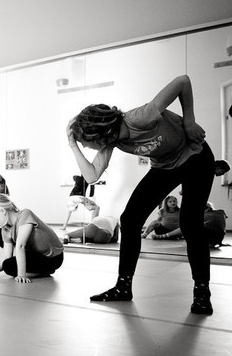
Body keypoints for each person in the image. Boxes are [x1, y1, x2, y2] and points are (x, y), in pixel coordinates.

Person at [67, 75, 214, 314]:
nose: (86, 146)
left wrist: (189, 121)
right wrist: (73, 145)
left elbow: (183, 82)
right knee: (130, 219)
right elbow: (92, 176)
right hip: (165, 165)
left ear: (100, 135)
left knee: (190, 224)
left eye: (85, 142)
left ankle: (202, 292)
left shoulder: (141, 117)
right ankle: (123, 287)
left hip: (196, 157)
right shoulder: (111, 142)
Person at [0, 194, 64, 283]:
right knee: (8, 265)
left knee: (12, 266)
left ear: (2, 211)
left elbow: (21, 246)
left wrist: (21, 275)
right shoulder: (5, 229)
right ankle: (38, 270)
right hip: (34, 254)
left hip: (53, 258)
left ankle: (45, 271)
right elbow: (7, 257)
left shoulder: (25, 214)